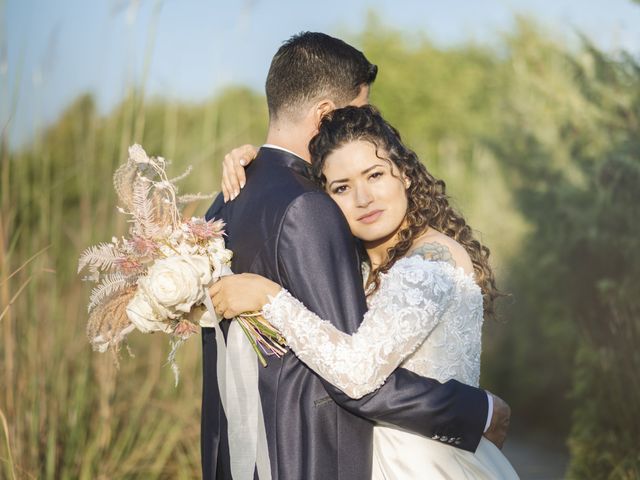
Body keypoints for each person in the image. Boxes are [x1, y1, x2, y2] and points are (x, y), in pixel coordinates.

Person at [203, 32, 510, 480]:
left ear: (405, 175)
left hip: (420, 461)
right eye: (342, 188)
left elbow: (355, 368)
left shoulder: (428, 265)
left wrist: (269, 297)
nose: (363, 197)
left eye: (375, 175)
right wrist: (257, 158)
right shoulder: (320, 217)